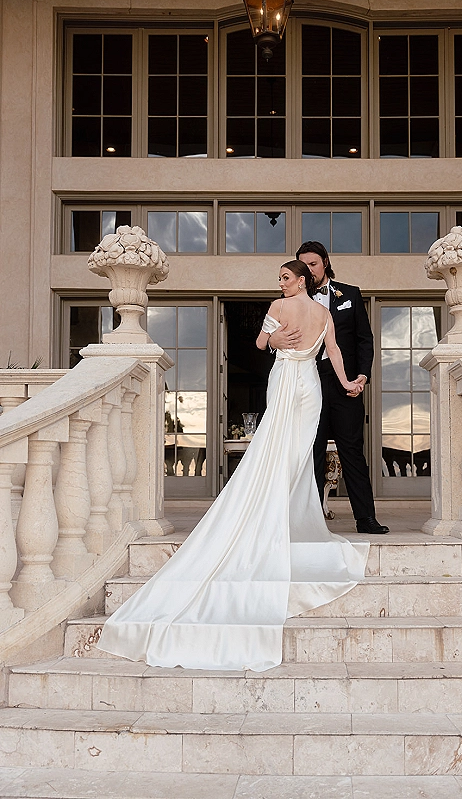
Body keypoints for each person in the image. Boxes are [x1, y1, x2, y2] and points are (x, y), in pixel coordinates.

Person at [97, 260, 369, 672]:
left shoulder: (287, 307)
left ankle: (277, 516)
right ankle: (279, 515)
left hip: (290, 380)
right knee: (287, 452)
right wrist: (346, 381)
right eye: (279, 278)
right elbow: (327, 352)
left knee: (288, 453)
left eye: (285, 277)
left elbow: (265, 346)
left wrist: (276, 339)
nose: (280, 283)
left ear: (300, 281)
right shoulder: (320, 311)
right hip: (307, 384)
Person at [269, 241, 389, 535]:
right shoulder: (287, 299)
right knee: (309, 448)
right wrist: (274, 342)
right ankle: (308, 520)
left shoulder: (350, 294)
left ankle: (366, 518)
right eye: (303, 265)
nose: (308, 270)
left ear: (325, 263)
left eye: (313, 264)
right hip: (305, 379)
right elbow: (271, 337)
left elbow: (364, 340)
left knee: (352, 450)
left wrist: (361, 375)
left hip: (343, 382)